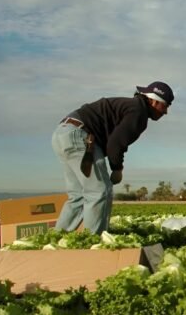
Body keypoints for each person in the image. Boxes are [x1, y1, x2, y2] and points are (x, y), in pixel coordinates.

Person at [51, 81, 174, 234]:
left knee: (78, 196)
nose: (166, 112)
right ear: (155, 100)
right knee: (99, 191)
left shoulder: (131, 106)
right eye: (166, 105)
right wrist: (117, 168)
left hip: (63, 133)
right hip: (81, 136)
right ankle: (94, 243)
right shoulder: (138, 112)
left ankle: (57, 239)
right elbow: (115, 144)